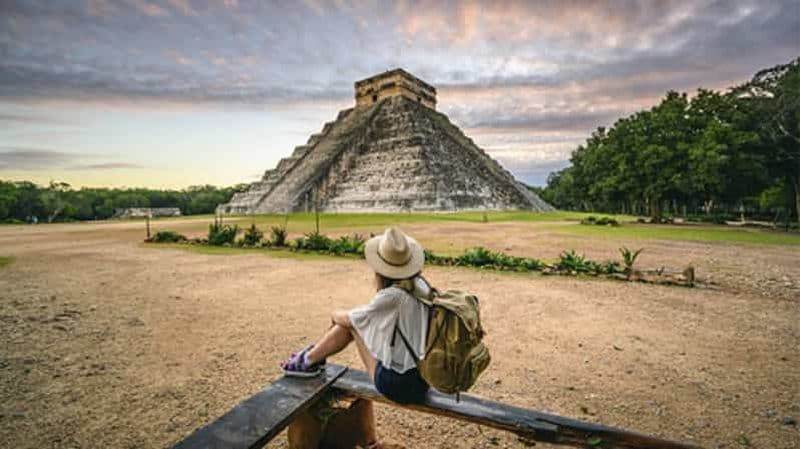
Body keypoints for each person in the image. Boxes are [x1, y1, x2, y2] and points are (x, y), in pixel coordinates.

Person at [281, 227, 431, 404]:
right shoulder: (421, 285)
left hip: (399, 386)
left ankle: (307, 360)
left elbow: (352, 319)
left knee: (350, 325)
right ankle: (311, 358)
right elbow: (368, 316)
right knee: (354, 321)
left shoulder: (393, 296)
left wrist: (334, 313)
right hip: (423, 379)